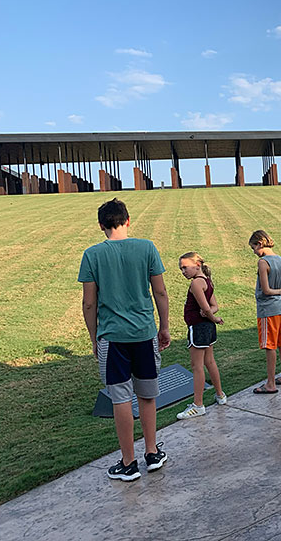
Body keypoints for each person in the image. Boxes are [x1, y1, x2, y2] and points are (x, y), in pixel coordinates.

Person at [79, 198, 169, 481]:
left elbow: (89, 303)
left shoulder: (92, 255)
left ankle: (128, 462)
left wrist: (95, 338)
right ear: (128, 220)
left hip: (112, 338)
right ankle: (152, 452)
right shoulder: (147, 248)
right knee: (147, 394)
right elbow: (161, 293)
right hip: (144, 333)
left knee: (120, 399)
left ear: (101, 226)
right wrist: (164, 327)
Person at [176, 252, 227, 419]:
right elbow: (214, 306)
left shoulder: (196, 284)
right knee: (209, 361)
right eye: (181, 269)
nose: (183, 271)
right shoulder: (207, 280)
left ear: (197, 265)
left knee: (197, 366)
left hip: (198, 328)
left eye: (185, 267)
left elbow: (208, 309)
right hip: (207, 327)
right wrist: (211, 316)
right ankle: (220, 395)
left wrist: (213, 318)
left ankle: (198, 405)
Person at [249, 230, 281, 394]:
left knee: (269, 345)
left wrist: (277, 291)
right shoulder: (279, 259)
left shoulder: (263, 262)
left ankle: (271, 383)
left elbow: (266, 290)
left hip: (267, 310)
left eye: (253, 248)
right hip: (279, 308)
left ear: (260, 243)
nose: (254, 252)